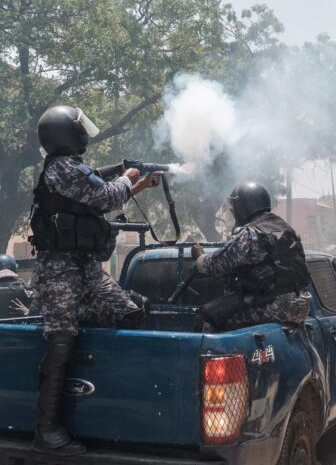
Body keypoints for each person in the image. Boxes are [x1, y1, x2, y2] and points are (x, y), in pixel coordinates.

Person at [30, 105, 161, 456]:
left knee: (131, 313)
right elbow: (105, 196)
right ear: (67, 134)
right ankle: (47, 430)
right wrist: (128, 176)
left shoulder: (70, 169)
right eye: (79, 128)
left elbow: (95, 185)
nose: (84, 133)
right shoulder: (61, 169)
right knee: (60, 342)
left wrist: (132, 179)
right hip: (59, 269)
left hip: (84, 267)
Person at [191, 182, 312, 332]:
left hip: (275, 306)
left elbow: (216, 264)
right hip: (300, 304)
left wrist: (199, 257)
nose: (233, 212)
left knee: (206, 317)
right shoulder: (285, 229)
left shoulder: (250, 234)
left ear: (242, 207)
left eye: (234, 207)